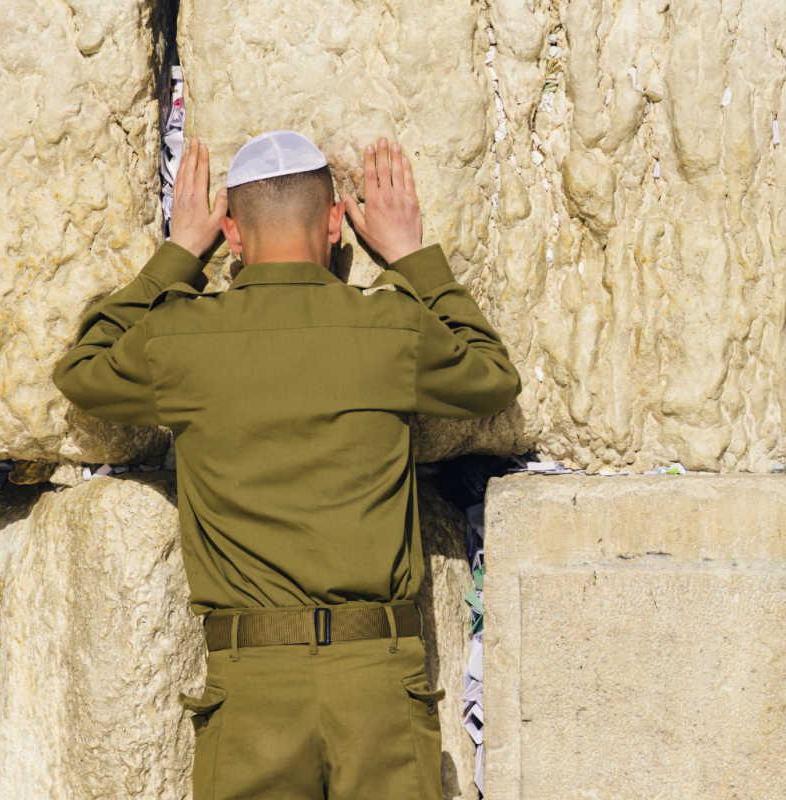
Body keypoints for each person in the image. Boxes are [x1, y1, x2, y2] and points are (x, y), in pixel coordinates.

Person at [53, 131, 521, 799]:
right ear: (335, 223)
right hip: (378, 682)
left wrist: (177, 255)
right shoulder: (390, 328)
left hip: (252, 688)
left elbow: (82, 372)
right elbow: (493, 378)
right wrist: (414, 258)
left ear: (233, 236)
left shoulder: (184, 339)